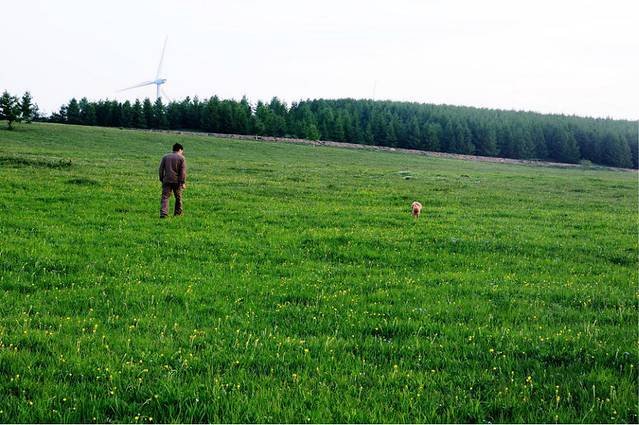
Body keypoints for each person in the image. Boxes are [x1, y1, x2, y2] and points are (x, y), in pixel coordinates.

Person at [159, 143, 187, 218]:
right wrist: (183, 182)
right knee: (178, 197)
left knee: (165, 197)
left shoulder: (165, 157)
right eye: (182, 151)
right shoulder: (182, 158)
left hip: (166, 180)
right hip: (177, 181)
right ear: (180, 149)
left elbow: (161, 169)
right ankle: (178, 213)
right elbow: (183, 172)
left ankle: (163, 214)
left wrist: (162, 179)